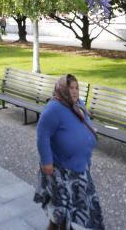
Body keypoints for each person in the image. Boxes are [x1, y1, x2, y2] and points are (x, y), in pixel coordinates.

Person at [34, 74, 104, 229]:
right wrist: (46, 162)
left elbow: (84, 122)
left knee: (64, 211)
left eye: (76, 87)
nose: (74, 91)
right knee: (62, 211)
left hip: (79, 169)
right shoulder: (54, 108)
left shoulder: (77, 104)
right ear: (62, 89)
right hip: (61, 171)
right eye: (70, 87)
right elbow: (42, 134)